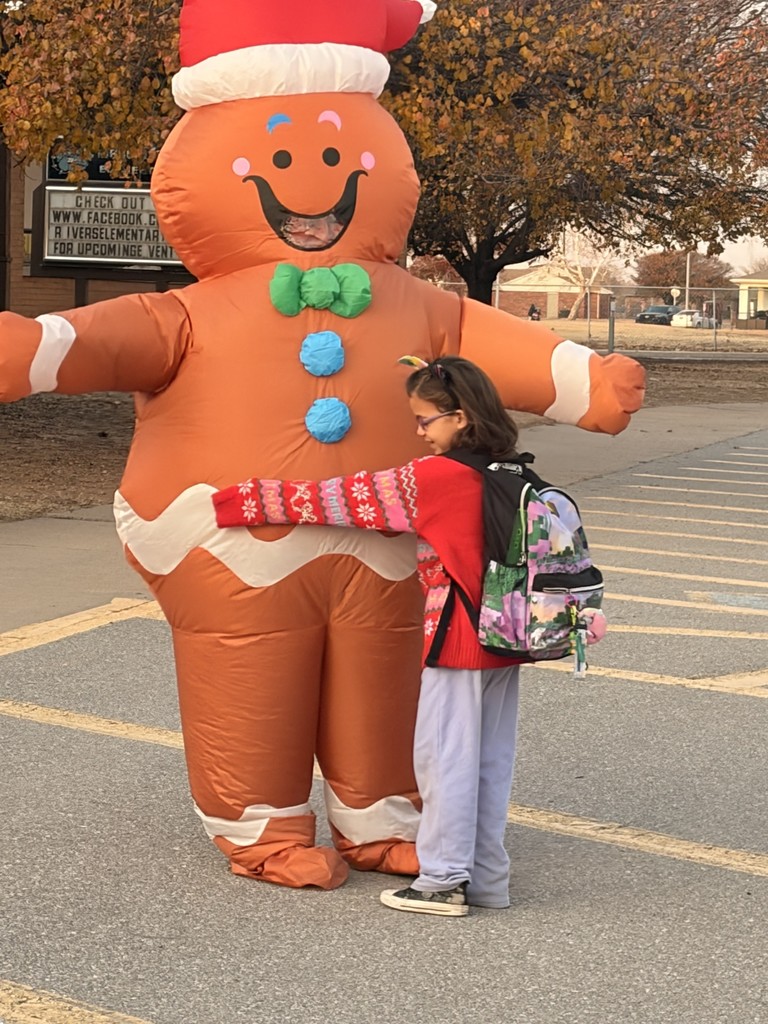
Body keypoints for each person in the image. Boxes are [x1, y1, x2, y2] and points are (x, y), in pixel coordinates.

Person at [212, 355, 525, 917]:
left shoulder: (437, 477)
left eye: (424, 420)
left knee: (443, 760)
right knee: (487, 759)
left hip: (457, 638)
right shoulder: (509, 471)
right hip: (508, 633)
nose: (418, 431)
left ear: (459, 418)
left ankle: (442, 881)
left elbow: (337, 497)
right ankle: (486, 879)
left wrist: (237, 502)